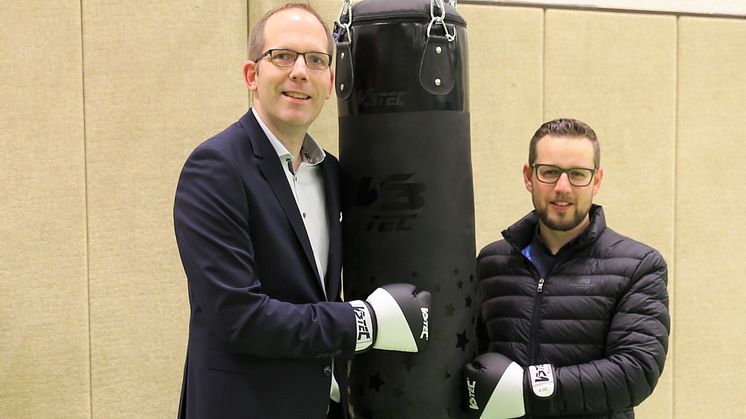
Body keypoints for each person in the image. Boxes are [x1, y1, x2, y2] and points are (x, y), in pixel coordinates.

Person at [173, 4, 430, 419]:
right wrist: (364, 321)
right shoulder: (216, 168)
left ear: (330, 83)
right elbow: (240, 317)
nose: (299, 72)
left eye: (316, 60)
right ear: (251, 76)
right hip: (245, 407)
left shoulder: (331, 175)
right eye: (283, 56)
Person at [463, 118, 670, 419]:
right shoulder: (493, 263)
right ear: (528, 177)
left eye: (577, 175)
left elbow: (635, 371)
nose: (563, 188)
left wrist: (530, 389)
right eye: (549, 173)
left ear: (596, 181)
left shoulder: (638, 266)